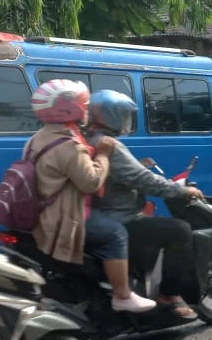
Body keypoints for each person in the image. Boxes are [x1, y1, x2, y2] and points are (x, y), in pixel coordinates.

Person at [28, 79, 155, 313]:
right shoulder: (68, 143)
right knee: (115, 233)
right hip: (65, 214)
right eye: (84, 106)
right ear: (71, 110)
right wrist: (104, 155)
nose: (87, 111)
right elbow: (92, 181)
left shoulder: (40, 137)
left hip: (45, 210)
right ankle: (123, 295)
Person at [84, 90, 204, 320]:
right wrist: (182, 190)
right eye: (124, 115)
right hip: (119, 217)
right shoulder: (110, 145)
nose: (127, 120)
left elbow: (118, 175)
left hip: (98, 216)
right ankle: (168, 296)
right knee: (180, 231)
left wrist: (138, 166)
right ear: (112, 116)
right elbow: (143, 180)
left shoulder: (89, 139)